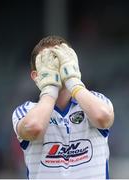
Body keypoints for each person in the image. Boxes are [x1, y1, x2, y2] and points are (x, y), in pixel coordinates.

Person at [12, 35, 114, 179]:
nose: (57, 69)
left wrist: (73, 82)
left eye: (60, 61)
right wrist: (50, 88)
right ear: (35, 76)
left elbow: (103, 118)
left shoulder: (96, 100)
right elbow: (33, 128)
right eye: (49, 63)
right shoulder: (26, 111)